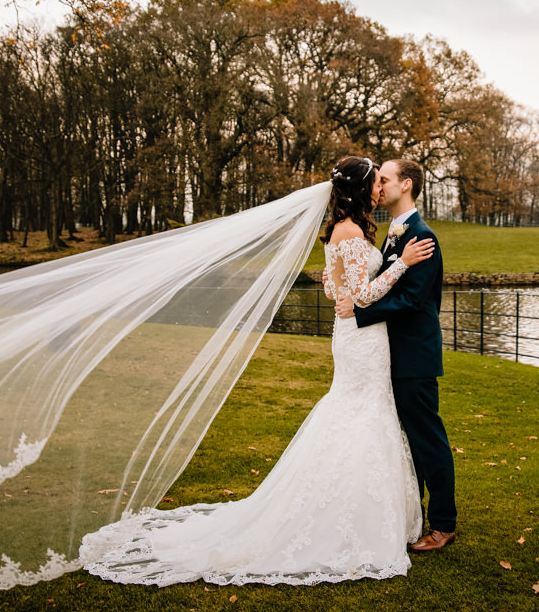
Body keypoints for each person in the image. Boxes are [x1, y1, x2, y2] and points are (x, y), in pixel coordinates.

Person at [78, 155, 435, 585]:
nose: (380, 187)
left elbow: (330, 285)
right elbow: (361, 295)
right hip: (361, 341)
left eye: (385, 179)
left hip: (356, 341)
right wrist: (402, 264)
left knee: (358, 412)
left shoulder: (341, 231)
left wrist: (348, 293)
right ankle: (353, 520)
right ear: (362, 190)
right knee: (360, 414)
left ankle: (358, 510)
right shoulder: (353, 232)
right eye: (375, 181)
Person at [335, 158, 456, 552]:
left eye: (384, 179)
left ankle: (443, 523)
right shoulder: (391, 235)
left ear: (406, 185)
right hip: (385, 353)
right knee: (400, 441)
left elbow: (410, 300)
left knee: (427, 439)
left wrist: (360, 309)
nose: (378, 185)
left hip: (414, 356)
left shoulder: (422, 237)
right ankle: (409, 516)